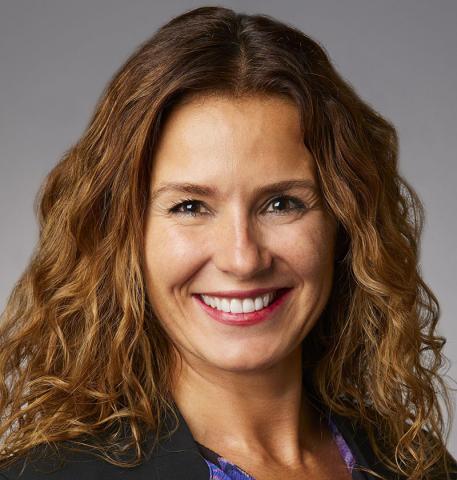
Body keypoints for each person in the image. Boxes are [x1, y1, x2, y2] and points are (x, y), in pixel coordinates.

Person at [0, 5, 456, 480]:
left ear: (345, 224)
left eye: (281, 203)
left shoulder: (420, 465)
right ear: (123, 234)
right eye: (190, 207)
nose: (243, 259)